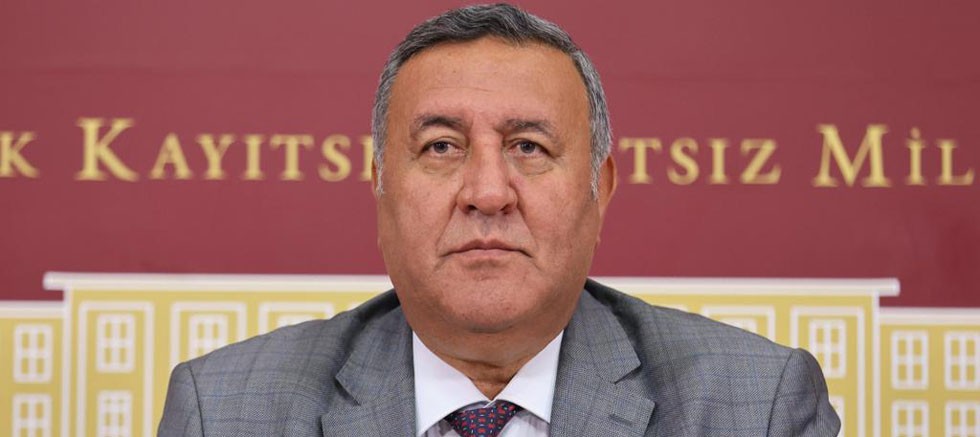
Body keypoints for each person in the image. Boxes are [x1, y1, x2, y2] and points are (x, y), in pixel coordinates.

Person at [158, 4, 840, 436]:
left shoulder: (754, 407)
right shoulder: (226, 411)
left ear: (599, 191)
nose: (487, 192)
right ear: (380, 187)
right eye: (441, 147)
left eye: (529, 148)